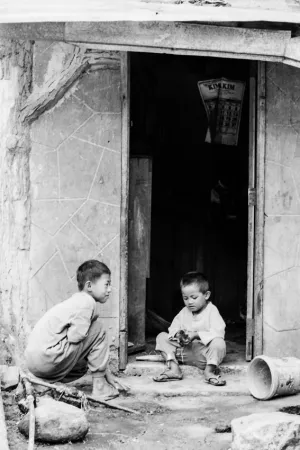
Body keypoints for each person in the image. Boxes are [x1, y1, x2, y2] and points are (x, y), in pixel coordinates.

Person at [25, 260, 128, 400]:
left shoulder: (76, 301)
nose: (110, 289)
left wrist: (106, 374)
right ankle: (100, 388)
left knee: (82, 365)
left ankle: (45, 384)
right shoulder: (86, 302)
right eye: (107, 284)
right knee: (99, 328)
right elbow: (76, 337)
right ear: (89, 286)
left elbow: (84, 344)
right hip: (48, 357)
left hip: (35, 364)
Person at [153, 271, 226, 386]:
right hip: (184, 353)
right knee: (161, 337)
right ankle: (174, 368)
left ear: (206, 295)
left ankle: (209, 371)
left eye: (194, 297)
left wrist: (196, 334)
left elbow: (219, 331)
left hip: (204, 356)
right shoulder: (184, 312)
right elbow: (173, 328)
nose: (189, 302)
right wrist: (178, 335)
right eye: (185, 298)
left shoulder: (212, 311)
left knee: (219, 343)